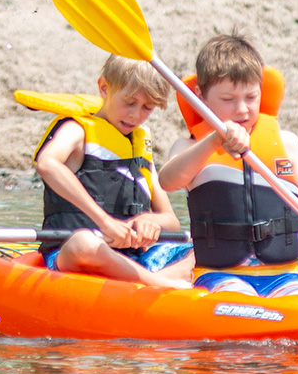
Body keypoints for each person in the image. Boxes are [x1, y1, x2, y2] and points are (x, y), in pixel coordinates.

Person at [156, 34, 298, 297]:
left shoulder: (287, 145)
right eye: (228, 99)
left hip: (285, 275)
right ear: (200, 96)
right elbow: (167, 181)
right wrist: (214, 141)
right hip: (220, 276)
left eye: (251, 97)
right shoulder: (189, 147)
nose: (242, 110)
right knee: (236, 298)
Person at [30, 56, 194, 289]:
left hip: (130, 256)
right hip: (74, 252)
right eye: (129, 102)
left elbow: (171, 221)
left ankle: (152, 282)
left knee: (209, 250)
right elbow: (47, 164)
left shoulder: (140, 146)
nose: (135, 115)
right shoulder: (77, 131)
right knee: (85, 243)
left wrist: (150, 220)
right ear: (105, 88)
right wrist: (104, 222)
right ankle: (162, 284)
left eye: (147, 108)